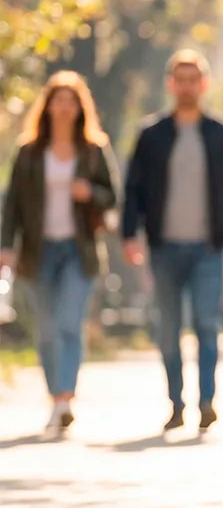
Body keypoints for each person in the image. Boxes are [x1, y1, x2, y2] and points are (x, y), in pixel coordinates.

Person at [122, 50, 223, 433]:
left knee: (205, 323)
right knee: (167, 329)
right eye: (179, 79)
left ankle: (207, 401)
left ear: (204, 84)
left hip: (208, 249)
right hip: (163, 247)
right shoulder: (151, 135)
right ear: (170, 84)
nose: (186, 86)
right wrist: (129, 235)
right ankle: (176, 404)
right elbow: (133, 189)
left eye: (192, 79)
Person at [1, 71, 119, 433]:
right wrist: (6, 247)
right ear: (48, 105)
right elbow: (13, 204)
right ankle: (56, 399)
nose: (64, 107)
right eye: (58, 100)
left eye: (71, 100)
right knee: (48, 330)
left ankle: (65, 399)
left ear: (80, 107)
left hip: (78, 250)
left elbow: (111, 196)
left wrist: (90, 193)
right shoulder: (29, 151)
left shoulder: (94, 149)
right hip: (37, 251)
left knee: (69, 324)